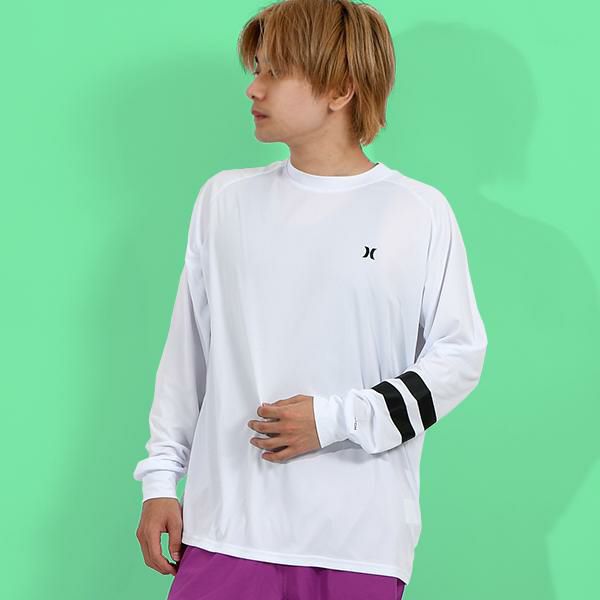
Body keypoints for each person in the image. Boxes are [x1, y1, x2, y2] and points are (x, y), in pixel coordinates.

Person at [133, 1, 488, 598]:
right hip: (226, 530)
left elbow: (460, 356)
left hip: (359, 542)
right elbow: (187, 354)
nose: (253, 88)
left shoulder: (417, 212)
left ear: (340, 89)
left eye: (274, 72)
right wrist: (160, 479)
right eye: (256, 70)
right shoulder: (225, 201)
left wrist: (334, 420)